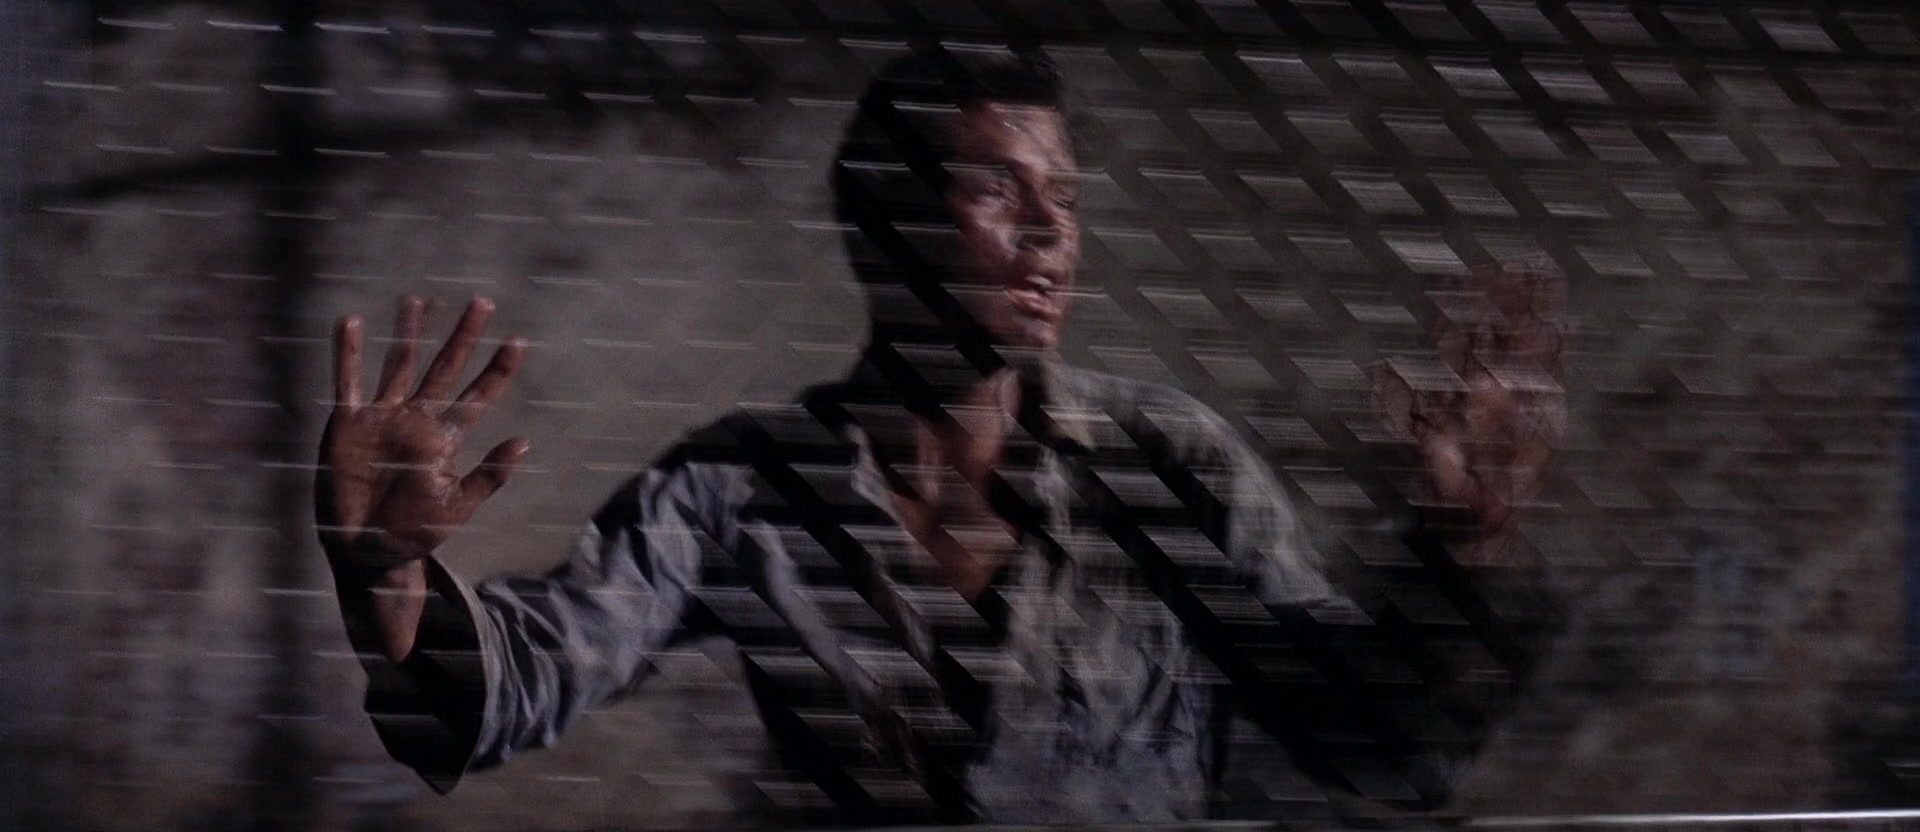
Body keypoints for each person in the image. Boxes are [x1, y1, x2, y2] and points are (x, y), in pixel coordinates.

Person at [315, 49, 1564, 825]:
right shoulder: (742, 489)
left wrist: (1459, 548)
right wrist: (386, 578)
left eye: (1063, 197)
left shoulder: (1167, 465)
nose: (1048, 232)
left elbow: (1386, 748)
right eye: (995, 188)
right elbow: (502, 692)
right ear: (884, 222)